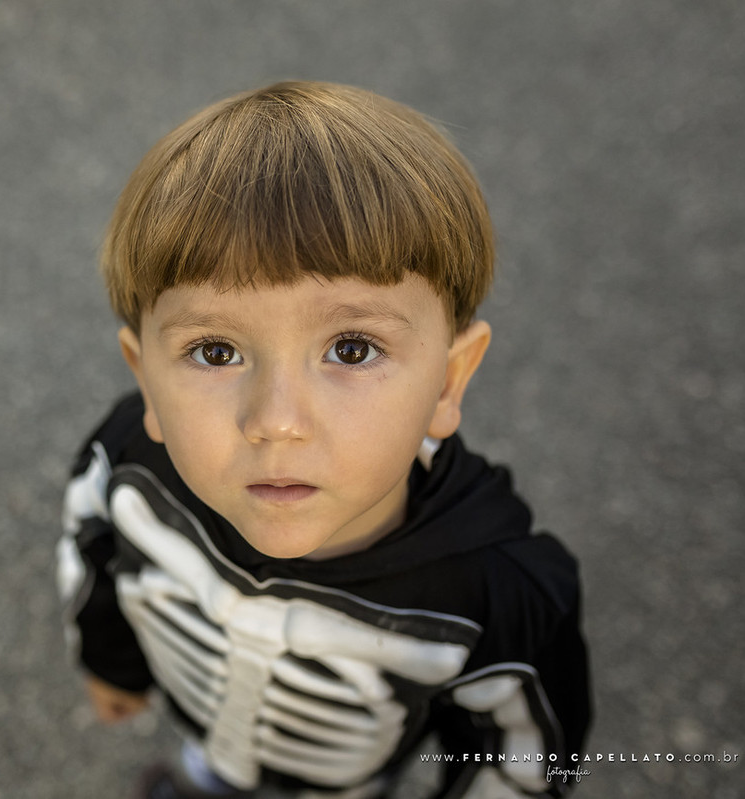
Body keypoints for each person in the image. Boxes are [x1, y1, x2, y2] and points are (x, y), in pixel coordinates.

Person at [57, 81, 591, 799]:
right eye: (215, 351)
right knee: (201, 776)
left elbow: (528, 753)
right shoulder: (128, 466)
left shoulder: (500, 596)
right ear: (145, 380)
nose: (277, 420)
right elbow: (90, 548)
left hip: (343, 787)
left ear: (448, 381)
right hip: (202, 732)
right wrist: (110, 661)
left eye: (351, 349)